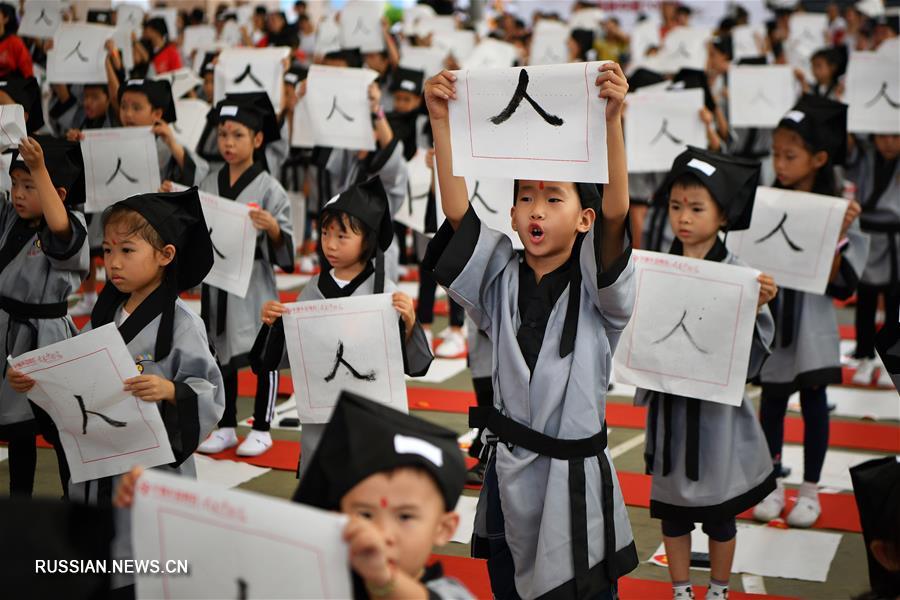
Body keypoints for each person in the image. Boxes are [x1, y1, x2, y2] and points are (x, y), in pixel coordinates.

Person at [421, 64, 637, 598]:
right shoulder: (497, 274)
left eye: (553, 198)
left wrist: (612, 124)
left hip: (574, 479)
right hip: (509, 471)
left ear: (583, 219)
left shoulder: (598, 289)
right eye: (525, 198)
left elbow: (616, 216)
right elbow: (457, 214)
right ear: (513, 215)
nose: (536, 209)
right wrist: (441, 123)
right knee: (507, 586)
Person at [8, 188, 225, 595]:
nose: (113, 263)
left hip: (149, 471)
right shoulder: (103, 318)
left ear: (166, 255)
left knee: (145, 565)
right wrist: (38, 383)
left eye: (127, 250)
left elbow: (208, 391)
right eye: (107, 251)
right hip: (98, 467)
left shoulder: (182, 323)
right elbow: (75, 376)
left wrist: (169, 390)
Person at [115, 390, 474, 599]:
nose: (382, 533)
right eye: (364, 514)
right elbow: (222, 564)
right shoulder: (312, 575)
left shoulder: (448, 591)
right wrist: (158, 508)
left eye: (406, 516)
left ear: (445, 528)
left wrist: (384, 580)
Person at [636, 147, 778, 600]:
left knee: (720, 514)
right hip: (670, 410)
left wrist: (755, 306)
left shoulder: (738, 274)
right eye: (676, 207)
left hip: (717, 415)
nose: (684, 218)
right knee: (672, 513)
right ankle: (681, 590)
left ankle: (717, 590)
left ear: (723, 216)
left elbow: (755, 356)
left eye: (697, 208)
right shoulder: (656, 266)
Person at [252, 177, 433, 474]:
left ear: (368, 241)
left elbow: (413, 365)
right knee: (323, 485)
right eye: (325, 233)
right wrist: (274, 325)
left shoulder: (385, 293)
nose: (330, 245)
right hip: (322, 417)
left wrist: (410, 323)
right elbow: (280, 358)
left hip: (372, 417)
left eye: (342, 236)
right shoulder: (312, 289)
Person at [754, 95, 869, 528]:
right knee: (772, 400)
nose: (780, 164)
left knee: (815, 399)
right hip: (774, 314)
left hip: (813, 321)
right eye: (776, 154)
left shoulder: (838, 206)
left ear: (819, 158)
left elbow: (840, 284)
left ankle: (810, 490)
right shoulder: (765, 202)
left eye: (790, 155)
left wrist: (836, 234)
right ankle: (770, 484)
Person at [191, 93, 294, 458]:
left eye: (237, 135)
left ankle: (263, 428)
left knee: (262, 352)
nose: (229, 143)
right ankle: (226, 425)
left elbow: (286, 251)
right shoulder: (208, 182)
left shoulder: (270, 188)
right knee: (219, 353)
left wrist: (273, 229)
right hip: (217, 283)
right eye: (223, 135)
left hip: (253, 286)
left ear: (257, 139)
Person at [0, 137, 88, 496]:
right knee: (18, 429)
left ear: (58, 192)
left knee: (62, 428)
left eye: (30, 186)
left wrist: (39, 167)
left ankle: (75, 496)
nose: (18, 194)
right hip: (7, 330)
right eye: (15, 184)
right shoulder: (9, 216)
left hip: (47, 337)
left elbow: (60, 227)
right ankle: (20, 505)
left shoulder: (67, 225)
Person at [846, 133, 899, 387]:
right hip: (866, 236)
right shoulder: (864, 154)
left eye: (896, 137)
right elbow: (847, 152)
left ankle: (892, 362)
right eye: (884, 137)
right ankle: (865, 355)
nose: (889, 142)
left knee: (894, 304)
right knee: (865, 300)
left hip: (896, 241)